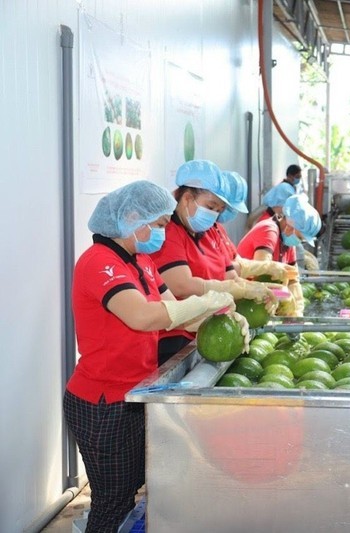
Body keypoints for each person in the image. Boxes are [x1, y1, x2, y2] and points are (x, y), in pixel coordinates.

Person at [64, 181, 243, 532]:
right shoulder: (99, 262)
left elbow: (174, 311)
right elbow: (142, 316)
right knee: (112, 502)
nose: (164, 231)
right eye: (159, 224)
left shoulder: (141, 260)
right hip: (102, 401)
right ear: (133, 217)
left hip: (134, 392)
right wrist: (206, 300)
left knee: (130, 490)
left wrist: (219, 317)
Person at [150, 160, 276, 364]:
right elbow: (180, 286)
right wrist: (233, 291)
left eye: (219, 209)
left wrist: (257, 288)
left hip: (208, 332)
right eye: (211, 207)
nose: (214, 215)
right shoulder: (169, 232)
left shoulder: (205, 232)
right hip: (174, 342)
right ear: (188, 198)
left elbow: (230, 274)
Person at [237, 194, 321, 316]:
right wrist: (285, 296)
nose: (298, 241)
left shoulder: (287, 241)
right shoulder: (268, 231)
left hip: (262, 300)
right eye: (299, 237)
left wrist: (298, 309)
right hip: (244, 301)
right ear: (290, 227)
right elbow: (262, 274)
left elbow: (293, 278)